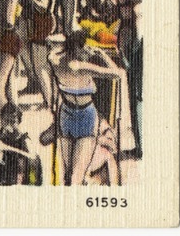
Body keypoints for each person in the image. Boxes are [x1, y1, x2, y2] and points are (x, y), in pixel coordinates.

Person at [50, 30, 126, 186]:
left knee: (68, 174)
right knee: (76, 177)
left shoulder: (56, 61)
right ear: (78, 47)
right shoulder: (82, 67)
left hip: (66, 115)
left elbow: (52, 52)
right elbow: (117, 74)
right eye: (84, 47)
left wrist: (66, 48)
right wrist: (102, 55)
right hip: (86, 117)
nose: (86, 50)